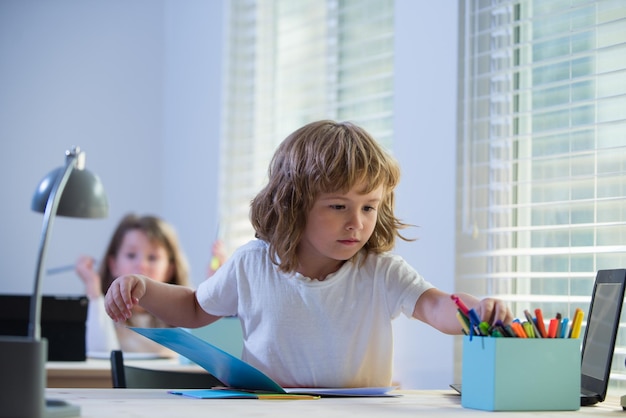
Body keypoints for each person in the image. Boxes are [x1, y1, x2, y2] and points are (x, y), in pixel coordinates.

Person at [104, 120, 513, 388]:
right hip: (268, 412)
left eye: (368, 207)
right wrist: (141, 287)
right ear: (293, 203)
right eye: (338, 207)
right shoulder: (252, 264)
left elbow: (434, 306)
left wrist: (477, 311)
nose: (357, 222)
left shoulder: (380, 270)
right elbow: (195, 308)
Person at [76, 213, 191, 357]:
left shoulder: (183, 317)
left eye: (152, 257)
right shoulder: (103, 316)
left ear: (169, 270)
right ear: (113, 265)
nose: (141, 266)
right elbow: (100, 359)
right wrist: (93, 289)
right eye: (131, 255)